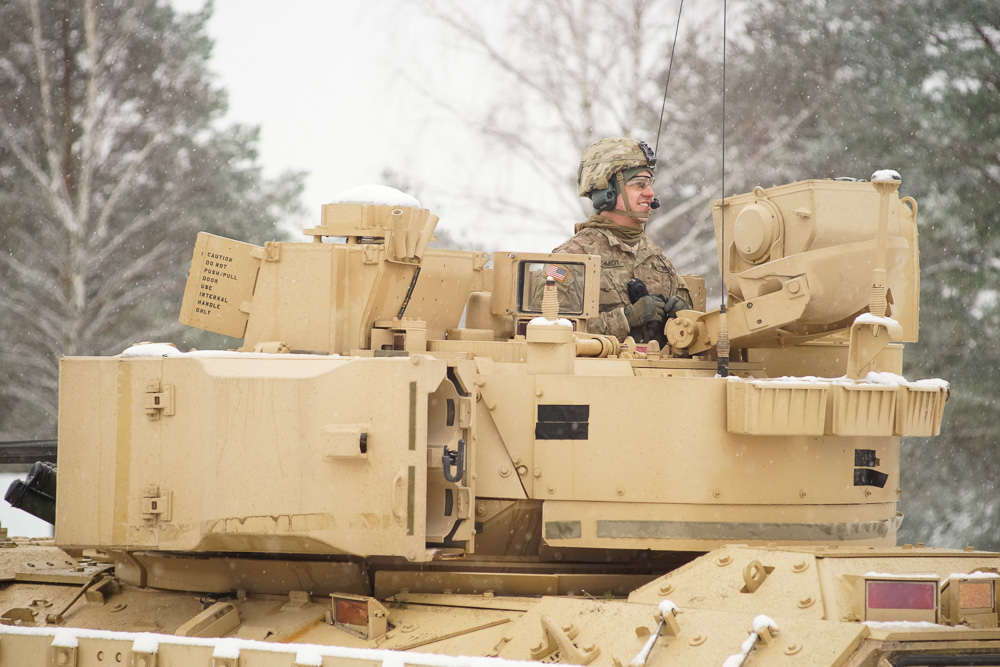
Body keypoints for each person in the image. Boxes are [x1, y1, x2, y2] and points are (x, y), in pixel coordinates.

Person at [552, 137, 690, 343]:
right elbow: (546, 327)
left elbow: (694, 334)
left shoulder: (658, 259)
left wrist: (684, 316)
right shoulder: (572, 257)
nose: (650, 194)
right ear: (607, 191)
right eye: (639, 184)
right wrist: (625, 319)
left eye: (650, 184)